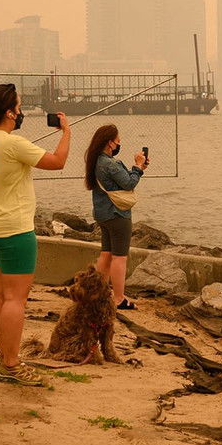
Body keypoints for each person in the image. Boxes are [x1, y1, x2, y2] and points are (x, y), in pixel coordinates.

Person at [0, 84, 71, 387]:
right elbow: (57, 162)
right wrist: (66, 133)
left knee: (1, 295)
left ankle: (5, 355)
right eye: (19, 105)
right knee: (16, 299)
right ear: (10, 112)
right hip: (16, 230)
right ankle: (11, 364)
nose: (21, 111)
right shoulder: (13, 144)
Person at [84, 124, 147, 309]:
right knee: (120, 257)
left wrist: (139, 168)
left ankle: (97, 292)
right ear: (110, 143)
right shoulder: (109, 164)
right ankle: (118, 298)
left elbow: (122, 180)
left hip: (102, 214)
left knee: (106, 253)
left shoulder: (96, 161)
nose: (119, 144)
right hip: (117, 214)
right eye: (118, 141)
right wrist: (137, 166)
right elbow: (128, 183)